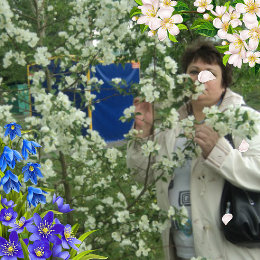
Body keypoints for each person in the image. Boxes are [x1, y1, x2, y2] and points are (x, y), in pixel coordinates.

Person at [127, 39, 260, 260]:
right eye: (194, 72)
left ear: (224, 82)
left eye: (210, 73)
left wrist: (219, 153)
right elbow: (142, 175)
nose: (200, 79)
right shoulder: (172, 127)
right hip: (181, 252)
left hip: (230, 251)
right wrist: (143, 131)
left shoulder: (245, 121)